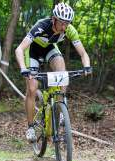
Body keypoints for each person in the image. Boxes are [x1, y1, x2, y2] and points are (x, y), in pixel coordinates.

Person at [15, 2, 92, 142]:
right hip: (32, 51)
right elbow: (19, 49)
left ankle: (60, 106)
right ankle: (31, 127)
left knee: (62, 72)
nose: (64, 27)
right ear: (54, 19)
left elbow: (83, 53)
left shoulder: (69, 30)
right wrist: (23, 68)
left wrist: (87, 66)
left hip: (50, 48)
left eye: (67, 24)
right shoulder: (41, 26)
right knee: (32, 88)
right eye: (61, 23)